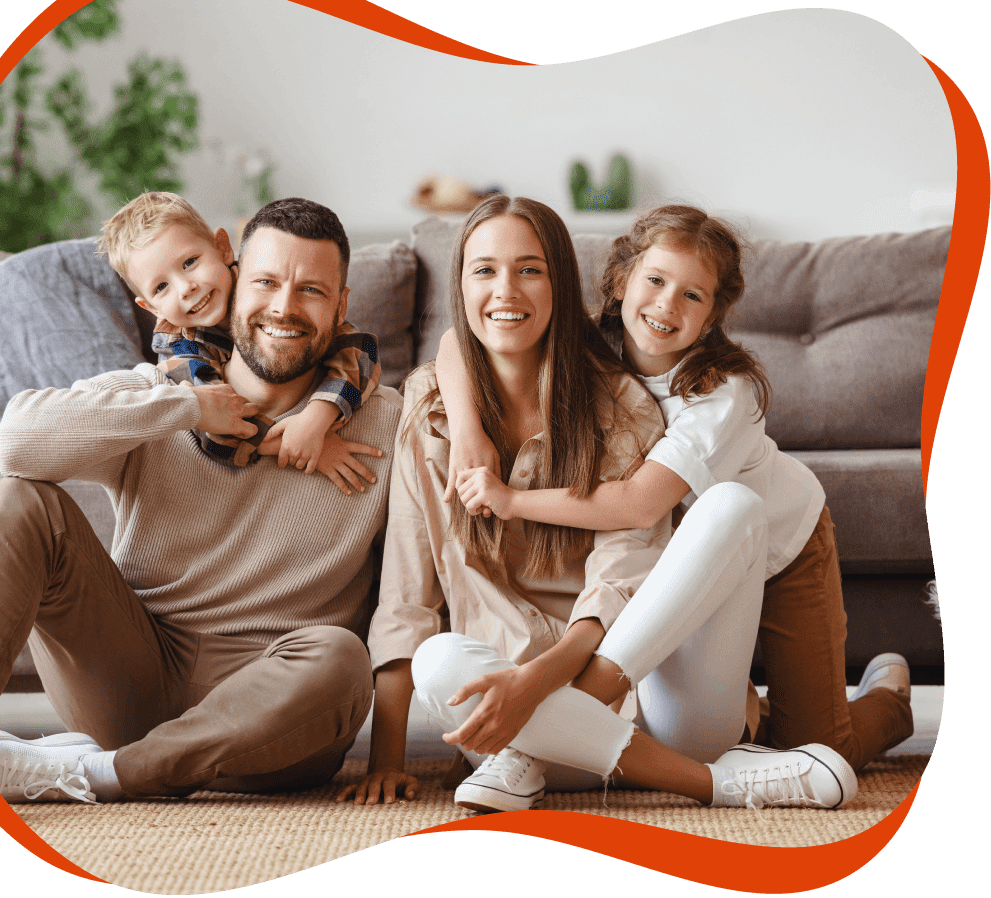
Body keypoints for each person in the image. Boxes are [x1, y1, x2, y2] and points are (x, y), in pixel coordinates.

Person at [342, 195, 857, 814]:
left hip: (654, 667)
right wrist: (388, 759)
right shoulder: (431, 407)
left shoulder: (639, 399)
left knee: (733, 511)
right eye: (484, 270)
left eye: (530, 269)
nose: (507, 288)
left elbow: (635, 527)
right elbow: (405, 592)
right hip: (513, 717)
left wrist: (509, 502)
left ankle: (865, 706)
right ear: (618, 284)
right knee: (438, 659)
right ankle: (718, 772)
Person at [0, 197, 402, 803]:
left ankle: (102, 774)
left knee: (340, 657)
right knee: (23, 501)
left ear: (341, 305)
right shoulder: (159, 396)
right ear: (238, 276)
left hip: (277, 711)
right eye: (267, 282)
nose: (283, 307)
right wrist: (186, 408)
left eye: (310, 289)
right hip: (133, 675)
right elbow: (15, 442)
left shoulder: (388, 420)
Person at [447, 204, 914, 772]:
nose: (668, 304)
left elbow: (642, 502)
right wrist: (469, 432)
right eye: (656, 280)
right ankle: (753, 722)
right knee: (721, 722)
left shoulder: (724, 393)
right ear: (621, 281)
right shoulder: (591, 351)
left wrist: (512, 500)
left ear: (715, 313)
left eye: (693, 296)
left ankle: (888, 699)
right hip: (691, 557)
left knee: (818, 748)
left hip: (780, 547)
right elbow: (456, 343)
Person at [101, 191, 382, 484]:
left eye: (189, 262)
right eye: (161, 287)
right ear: (150, 307)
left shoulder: (260, 282)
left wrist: (319, 417)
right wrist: (302, 444)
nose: (186, 288)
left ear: (222, 248)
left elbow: (363, 352)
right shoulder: (179, 347)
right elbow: (219, 427)